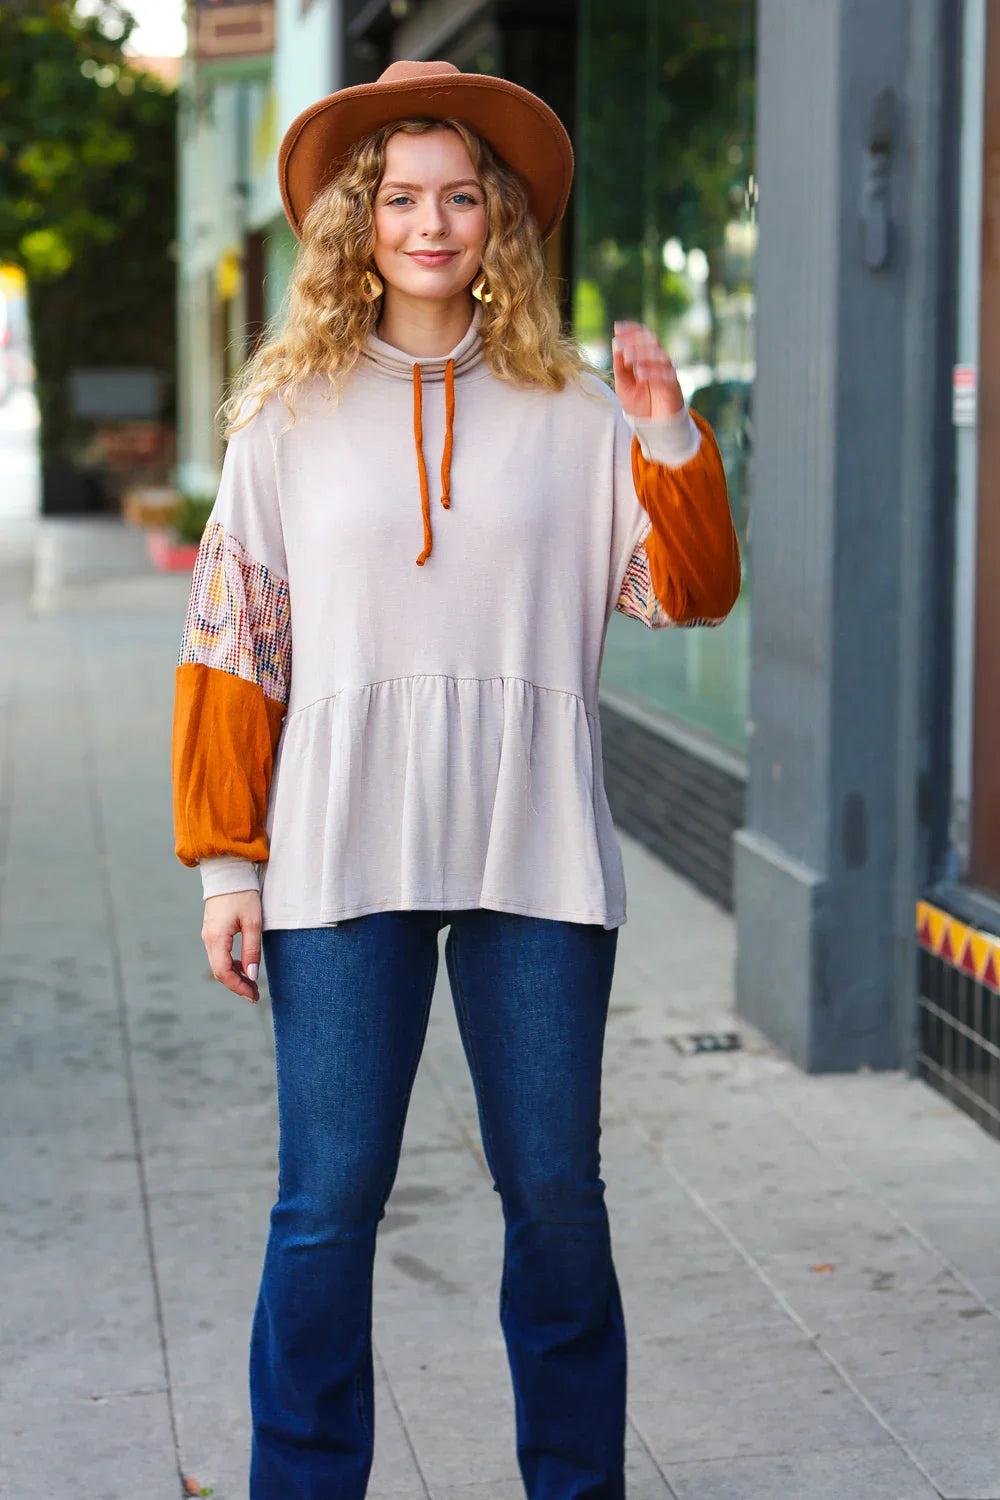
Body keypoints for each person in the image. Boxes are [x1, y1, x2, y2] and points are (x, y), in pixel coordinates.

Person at [171, 58, 740, 1500]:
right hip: (334, 849)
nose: (432, 224)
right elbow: (236, 650)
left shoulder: (576, 413)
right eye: (401, 197)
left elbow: (687, 597)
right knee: (326, 1208)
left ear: (502, 224)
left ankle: (576, 1486)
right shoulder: (284, 419)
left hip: (534, 848)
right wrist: (228, 866)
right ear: (361, 221)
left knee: (555, 1202)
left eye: (460, 198)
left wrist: (667, 435)